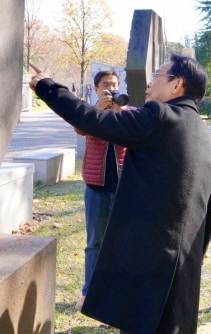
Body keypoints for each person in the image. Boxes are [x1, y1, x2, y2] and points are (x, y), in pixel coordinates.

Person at [29, 55, 211, 333]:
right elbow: (210, 211)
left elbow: (92, 119)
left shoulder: (158, 117)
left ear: (176, 84)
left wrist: (48, 87)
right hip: (185, 267)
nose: (149, 82)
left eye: (157, 75)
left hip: (144, 260)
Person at [74, 70, 128, 312]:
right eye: (106, 85)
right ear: (95, 89)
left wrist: (119, 115)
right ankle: (89, 291)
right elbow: (80, 129)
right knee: (95, 242)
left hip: (125, 188)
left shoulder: (128, 112)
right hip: (96, 186)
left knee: (121, 242)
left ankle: (117, 290)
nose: (111, 89)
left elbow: (133, 136)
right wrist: (98, 109)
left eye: (114, 84)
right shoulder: (90, 112)